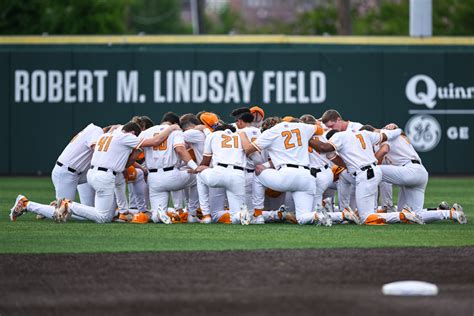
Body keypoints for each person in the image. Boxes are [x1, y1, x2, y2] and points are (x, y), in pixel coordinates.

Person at [10, 122, 178, 224]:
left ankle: (122, 210)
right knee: (67, 215)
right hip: (75, 173)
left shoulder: (107, 136)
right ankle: (29, 204)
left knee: (91, 211)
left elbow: (117, 159)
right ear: (132, 132)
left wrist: (138, 165)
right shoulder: (120, 136)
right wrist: (171, 128)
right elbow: (155, 141)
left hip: (87, 173)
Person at [310, 128, 424, 225]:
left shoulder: (338, 136)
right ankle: (345, 209)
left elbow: (324, 147)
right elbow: (386, 135)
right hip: (373, 171)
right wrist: (398, 130)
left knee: (366, 218)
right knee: (344, 175)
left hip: (365, 173)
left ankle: (403, 215)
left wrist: (307, 138)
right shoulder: (364, 133)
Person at [361, 125, 467, 224]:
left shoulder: (384, 134)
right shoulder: (392, 132)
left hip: (409, 170)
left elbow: (384, 150)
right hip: (420, 172)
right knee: (413, 214)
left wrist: (372, 162)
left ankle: (371, 209)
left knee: (371, 170)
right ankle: (451, 213)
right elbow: (399, 134)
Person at [240, 117, 332, 226]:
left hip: (286, 175)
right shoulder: (302, 126)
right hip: (306, 177)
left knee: (258, 172)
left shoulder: (271, 132)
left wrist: (241, 134)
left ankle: (258, 215)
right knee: (302, 218)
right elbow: (320, 130)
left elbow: (248, 150)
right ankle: (340, 215)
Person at [139, 112, 200, 224]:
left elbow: (135, 154)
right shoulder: (175, 131)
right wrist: (195, 167)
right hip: (172, 175)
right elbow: (180, 150)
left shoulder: (146, 132)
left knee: (156, 217)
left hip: (153, 178)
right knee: (198, 177)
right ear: (175, 123)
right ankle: (192, 213)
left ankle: (160, 213)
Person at [191, 118, 251, 225]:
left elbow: (206, 161)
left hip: (219, 172)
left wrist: (200, 168)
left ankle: (206, 215)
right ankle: (240, 215)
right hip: (238, 175)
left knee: (200, 175)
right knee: (234, 218)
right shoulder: (239, 136)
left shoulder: (213, 135)